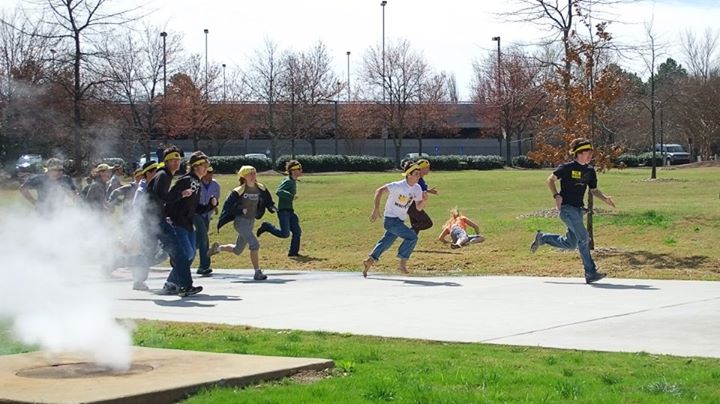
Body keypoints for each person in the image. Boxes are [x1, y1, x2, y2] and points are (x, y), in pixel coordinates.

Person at [530, 138, 616, 284]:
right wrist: (556, 195)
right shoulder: (567, 168)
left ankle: (543, 238)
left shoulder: (590, 171)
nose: (590, 156)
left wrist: (605, 198)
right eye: (587, 153)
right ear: (579, 153)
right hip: (567, 210)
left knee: (570, 244)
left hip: (578, 211)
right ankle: (591, 273)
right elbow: (550, 180)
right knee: (584, 238)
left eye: (591, 153)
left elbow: (593, 190)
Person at [162, 151, 217, 297]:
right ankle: (176, 285)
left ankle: (171, 283)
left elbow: (195, 208)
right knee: (185, 254)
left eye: (207, 165)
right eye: (203, 165)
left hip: (187, 224)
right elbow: (169, 199)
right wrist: (168, 217)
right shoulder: (187, 180)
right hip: (177, 223)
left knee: (190, 254)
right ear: (194, 167)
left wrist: (210, 206)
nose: (206, 168)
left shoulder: (196, 182)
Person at [362, 161, 428, 277]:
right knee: (412, 237)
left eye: (419, 173)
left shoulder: (417, 188)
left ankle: (369, 261)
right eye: (416, 173)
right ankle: (402, 263)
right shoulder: (398, 186)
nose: (419, 176)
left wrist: (424, 200)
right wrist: (376, 209)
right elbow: (379, 191)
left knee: (386, 243)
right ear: (409, 174)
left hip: (400, 221)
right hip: (390, 221)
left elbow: (418, 208)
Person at [212, 165, 276, 281]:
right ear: (243, 176)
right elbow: (227, 206)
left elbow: (268, 201)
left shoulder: (261, 187)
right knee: (255, 245)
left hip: (251, 221)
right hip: (240, 222)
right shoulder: (239, 191)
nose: (253, 176)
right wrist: (240, 211)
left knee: (238, 250)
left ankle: (218, 248)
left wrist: (272, 207)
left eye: (254, 173)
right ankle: (257, 272)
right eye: (250, 174)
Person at [146, 146, 184, 294]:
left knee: (152, 256)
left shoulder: (164, 175)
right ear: (166, 162)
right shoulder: (163, 175)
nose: (176, 163)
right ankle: (180, 284)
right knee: (177, 252)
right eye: (172, 160)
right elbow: (162, 197)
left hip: (155, 220)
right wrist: (181, 194)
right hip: (155, 221)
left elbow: (159, 198)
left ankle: (116, 262)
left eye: (178, 160)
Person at [256, 160, 303, 257]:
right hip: (283, 212)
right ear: (293, 171)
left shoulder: (293, 181)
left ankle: (293, 253)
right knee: (285, 234)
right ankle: (267, 226)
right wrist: (291, 196)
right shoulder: (288, 181)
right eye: (299, 169)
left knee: (297, 232)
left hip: (290, 211)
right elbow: (279, 191)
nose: (301, 171)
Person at [194, 165, 221, 276]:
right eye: (208, 172)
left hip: (207, 214)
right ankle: (204, 266)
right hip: (196, 213)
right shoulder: (196, 183)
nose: (210, 174)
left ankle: (177, 254)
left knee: (197, 240)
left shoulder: (215, 184)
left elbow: (216, 199)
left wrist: (214, 208)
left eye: (211, 172)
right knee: (204, 238)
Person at [407, 158, 437, 234]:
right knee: (427, 223)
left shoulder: (420, 179)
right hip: (413, 205)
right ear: (421, 169)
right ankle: (406, 232)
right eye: (427, 168)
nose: (429, 169)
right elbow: (416, 190)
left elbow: (420, 190)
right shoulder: (417, 179)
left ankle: (409, 243)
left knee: (416, 227)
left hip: (412, 205)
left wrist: (429, 191)